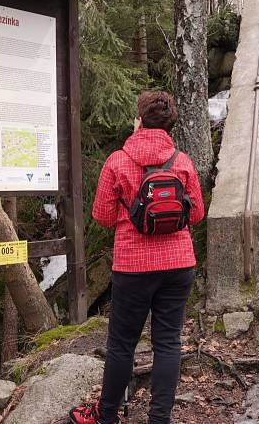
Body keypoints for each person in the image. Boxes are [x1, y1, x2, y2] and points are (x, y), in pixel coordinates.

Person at [69, 90, 205, 424]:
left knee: (121, 345)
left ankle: (106, 416)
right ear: (170, 124)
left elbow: (100, 216)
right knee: (168, 342)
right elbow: (197, 212)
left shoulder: (118, 160)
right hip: (179, 263)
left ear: (139, 119)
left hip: (133, 265)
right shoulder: (183, 162)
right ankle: (159, 419)